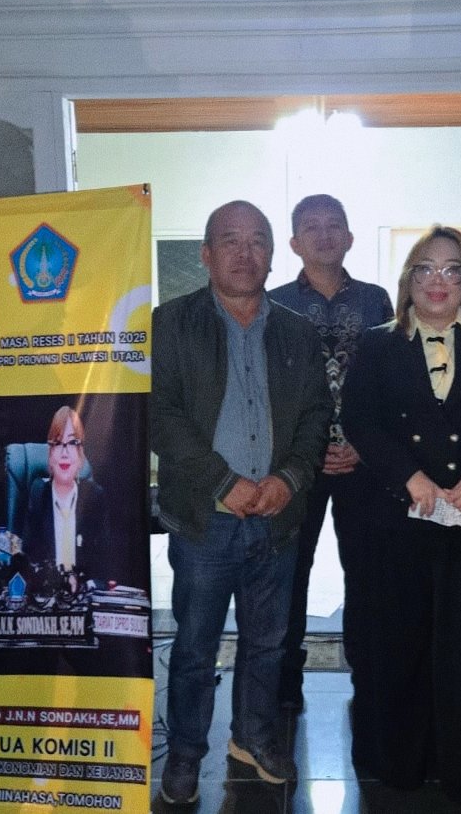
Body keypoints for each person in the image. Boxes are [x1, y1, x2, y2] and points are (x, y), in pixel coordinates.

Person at [341, 225, 461, 804]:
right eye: (425, 268)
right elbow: (360, 420)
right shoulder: (377, 344)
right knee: (397, 643)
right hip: (396, 514)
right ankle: (398, 764)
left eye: (452, 269)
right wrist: (410, 477)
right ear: (408, 280)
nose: (438, 281)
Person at [151, 200, 332, 804]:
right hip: (206, 519)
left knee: (268, 643)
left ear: (272, 254)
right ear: (206, 254)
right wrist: (222, 481)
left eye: (257, 241)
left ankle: (253, 737)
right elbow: (160, 415)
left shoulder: (297, 331)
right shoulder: (170, 323)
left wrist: (290, 478)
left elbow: (316, 416)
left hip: (277, 518)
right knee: (194, 646)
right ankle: (185, 753)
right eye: (230, 241)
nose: (244, 253)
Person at [268, 193, 394, 712]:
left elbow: (391, 383)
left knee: (367, 574)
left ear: (349, 237)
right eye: (312, 227)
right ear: (294, 242)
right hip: (298, 465)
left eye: (333, 225)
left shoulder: (377, 301)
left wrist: (364, 446)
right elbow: (270, 393)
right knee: (289, 572)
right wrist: (306, 451)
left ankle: (371, 676)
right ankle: (284, 683)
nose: (324, 235)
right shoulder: (273, 303)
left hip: (366, 463)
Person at [22, 404, 114, 583]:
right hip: (48, 591)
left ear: (80, 455)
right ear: (50, 454)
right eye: (57, 443)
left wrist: (81, 583)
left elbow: (104, 564)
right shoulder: (38, 494)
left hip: (84, 592)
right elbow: (29, 558)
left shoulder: (95, 497)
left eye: (72, 443)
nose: (64, 453)